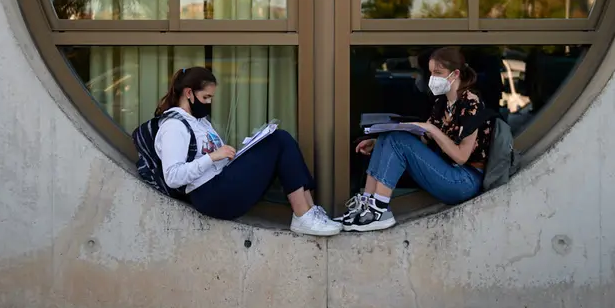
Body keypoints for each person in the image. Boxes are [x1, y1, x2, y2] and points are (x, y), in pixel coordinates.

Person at [153, 66, 342, 236]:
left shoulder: (200, 121)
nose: (209, 103)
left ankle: (309, 211)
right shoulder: (174, 127)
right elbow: (173, 176)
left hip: (221, 183)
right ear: (188, 93)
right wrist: (212, 157)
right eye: (206, 97)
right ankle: (303, 215)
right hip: (210, 195)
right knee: (280, 140)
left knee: (277, 139)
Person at [337, 47, 493, 232]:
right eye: (431, 73)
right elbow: (425, 139)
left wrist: (432, 129)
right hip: (445, 171)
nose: (433, 78)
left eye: (438, 73)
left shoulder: (471, 104)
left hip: (464, 180)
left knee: (398, 140)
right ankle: (367, 205)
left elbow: (461, 157)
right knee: (389, 136)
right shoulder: (442, 102)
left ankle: (379, 210)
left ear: (455, 73)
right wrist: (379, 144)